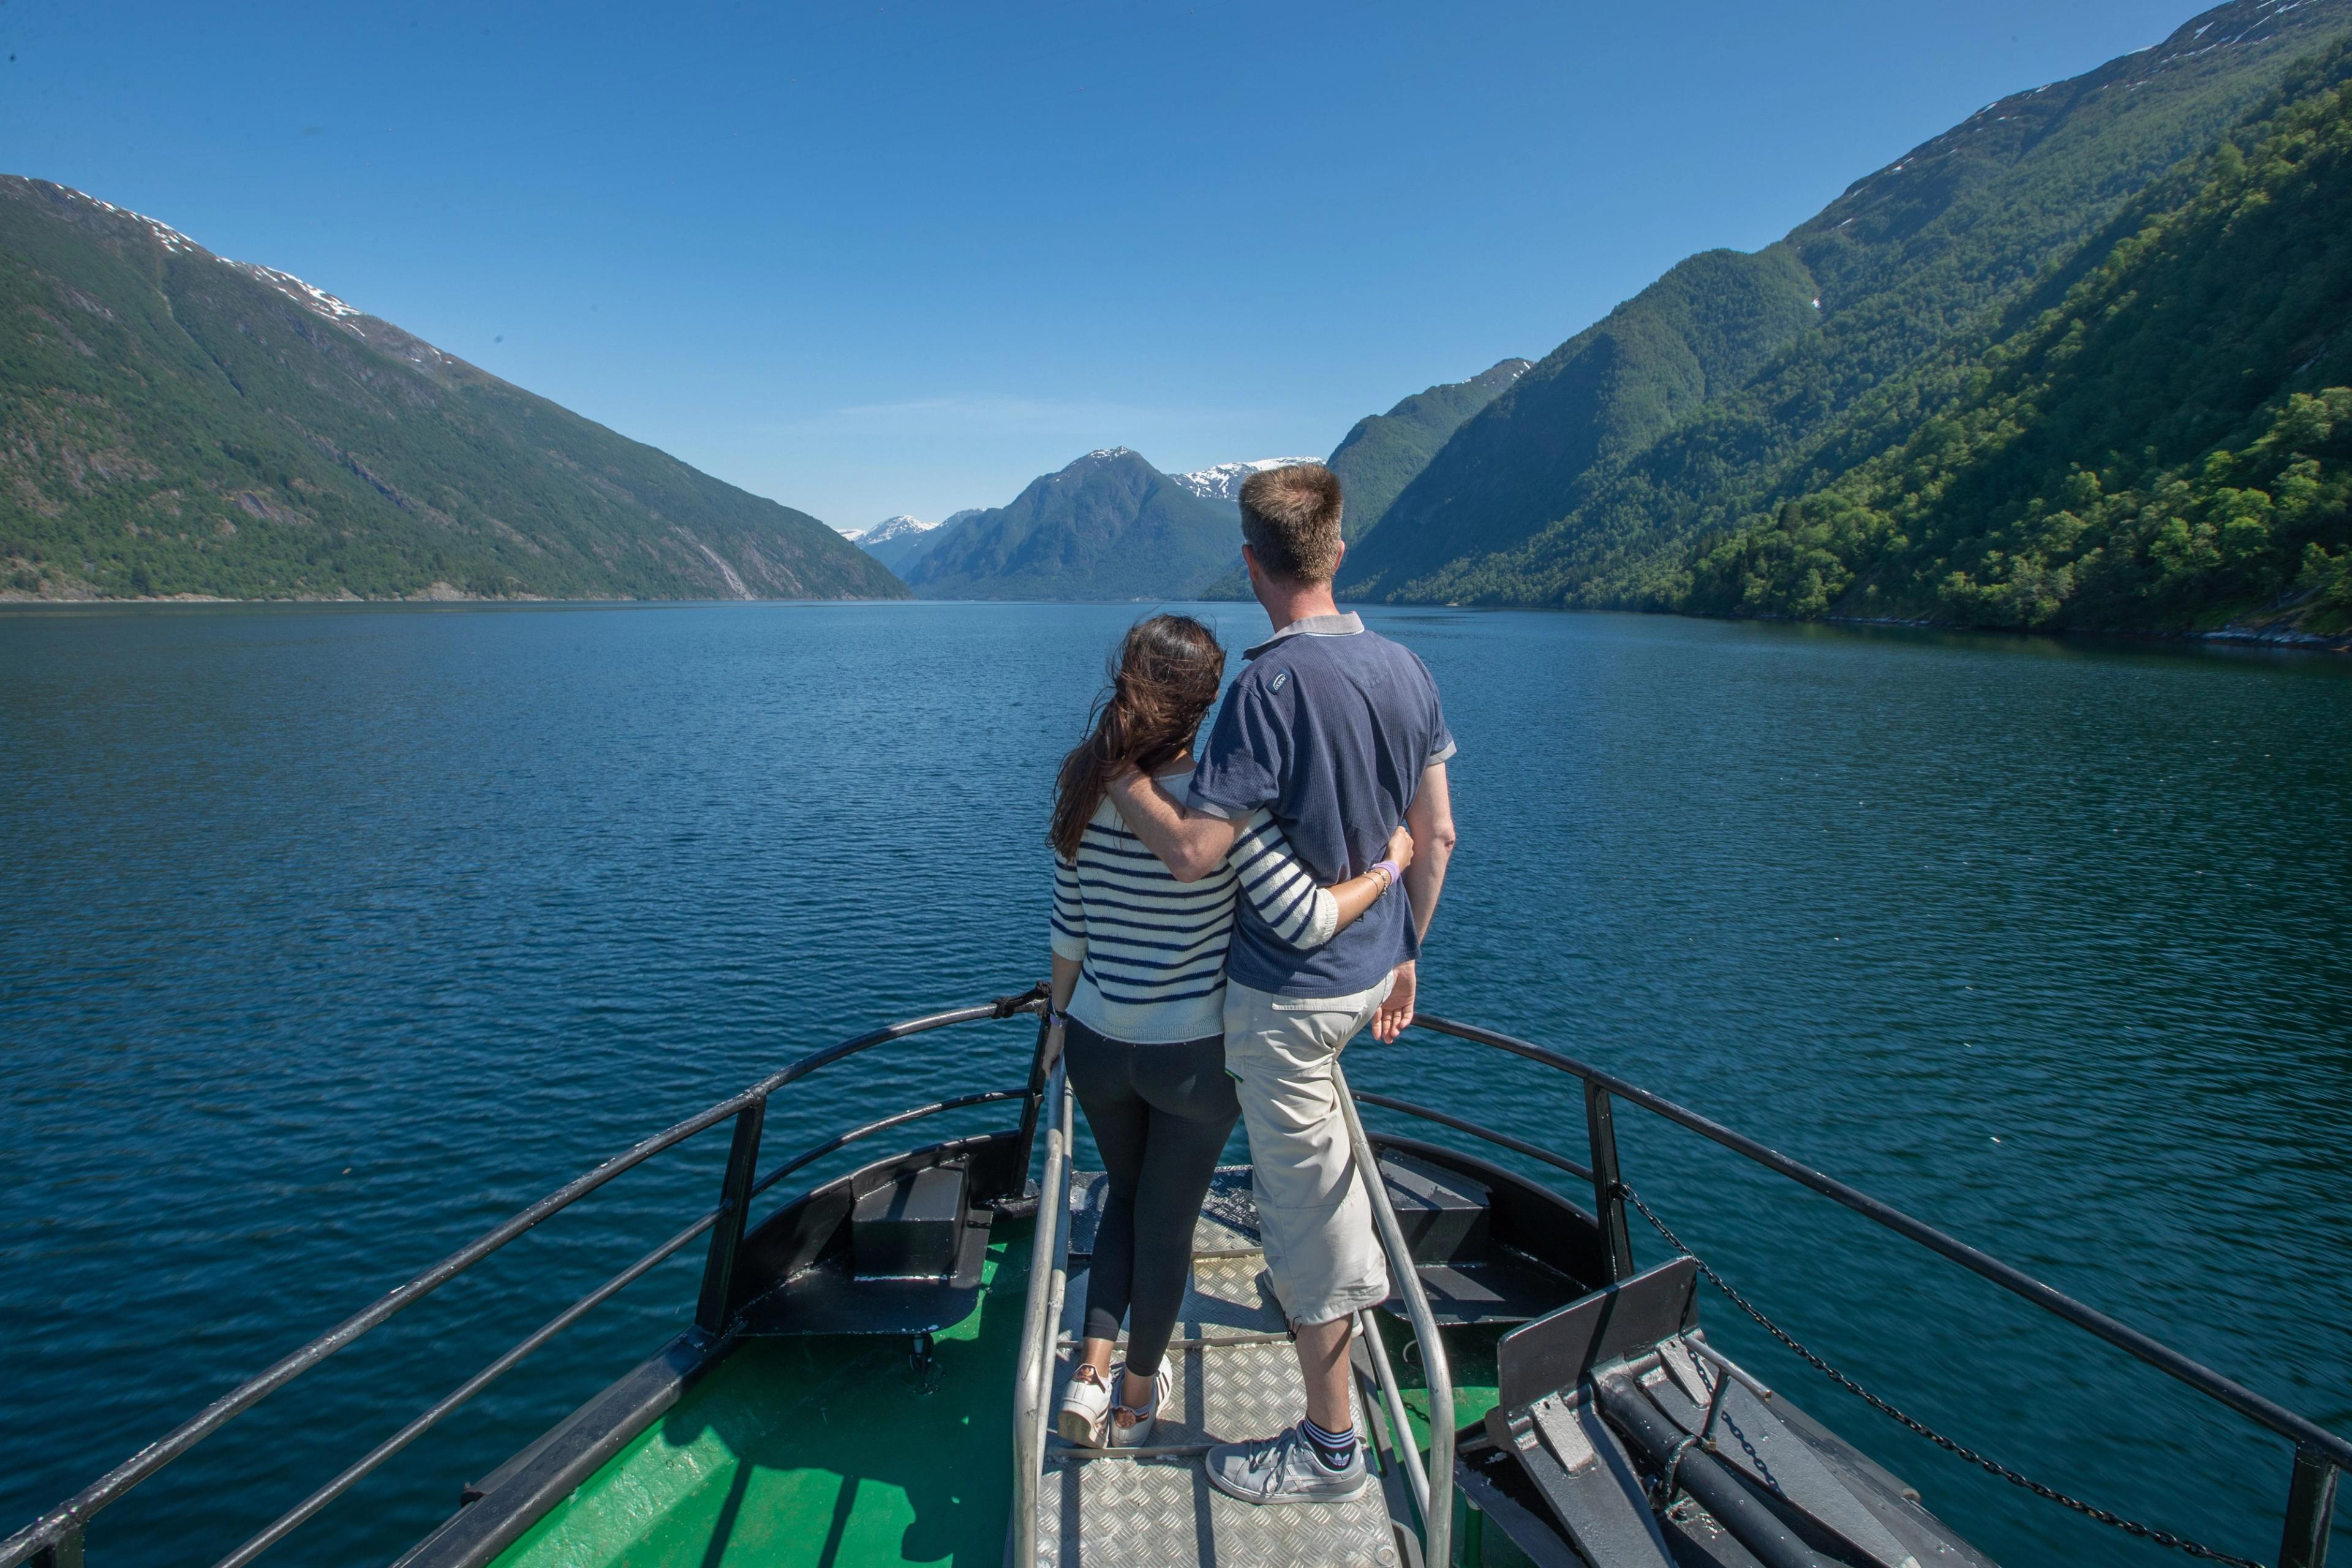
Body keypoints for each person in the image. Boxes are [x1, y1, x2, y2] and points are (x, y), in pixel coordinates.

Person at [1107, 464, 1457, 1506]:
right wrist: (1404, 951)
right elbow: (1435, 835)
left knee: (1304, 1223)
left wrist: (1121, 782)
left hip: (1288, 1004)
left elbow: (1195, 853)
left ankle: (1330, 1448)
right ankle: (1325, 1312)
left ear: (1251, 564)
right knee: (1317, 1190)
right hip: (1369, 982)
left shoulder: (1264, 690)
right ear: (1338, 552)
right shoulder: (1407, 669)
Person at [1046, 612, 1415, 1451]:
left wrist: (1056, 1023)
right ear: (1206, 705)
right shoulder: (1223, 815)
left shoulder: (1084, 785)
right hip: (1193, 1062)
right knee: (1167, 1226)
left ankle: (1090, 1371)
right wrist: (1394, 860)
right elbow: (1311, 917)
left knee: (1124, 1204)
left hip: (1100, 1045)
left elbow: (1068, 931)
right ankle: (1137, 1398)